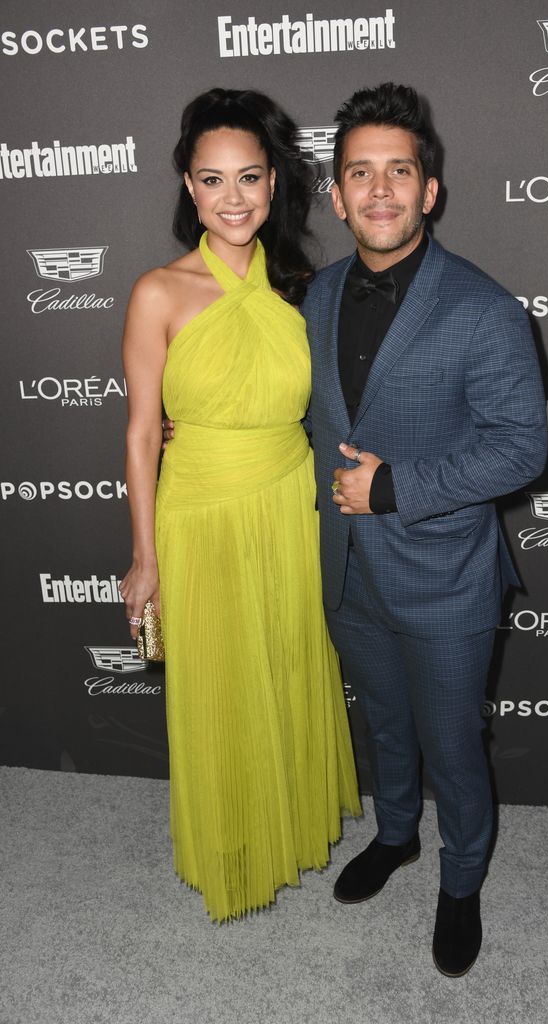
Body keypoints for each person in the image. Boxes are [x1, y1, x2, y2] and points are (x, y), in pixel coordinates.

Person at [302, 83, 547, 976]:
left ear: (428, 190)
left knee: (452, 744)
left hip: (445, 574)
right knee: (388, 729)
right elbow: (313, 420)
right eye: (359, 173)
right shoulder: (317, 297)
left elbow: (521, 450)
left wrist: (396, 489)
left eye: (397, 171)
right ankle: (397, 834)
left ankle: (462, 882)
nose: (378, 190)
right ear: (336, 194)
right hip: (348, 572)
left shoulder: (484, 308)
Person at [119, 88, 360, 923]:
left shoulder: (304, 290)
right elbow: (144, 432)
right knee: (222, 683)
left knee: (290, 667)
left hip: (292, 504)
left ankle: (290, 829)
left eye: (250, 178)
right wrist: (145, 557)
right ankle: (232, 846)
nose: (233, 199)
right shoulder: (158, 292)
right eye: (213, 180)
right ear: (188, 187)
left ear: (274, 184)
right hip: (202, 512)